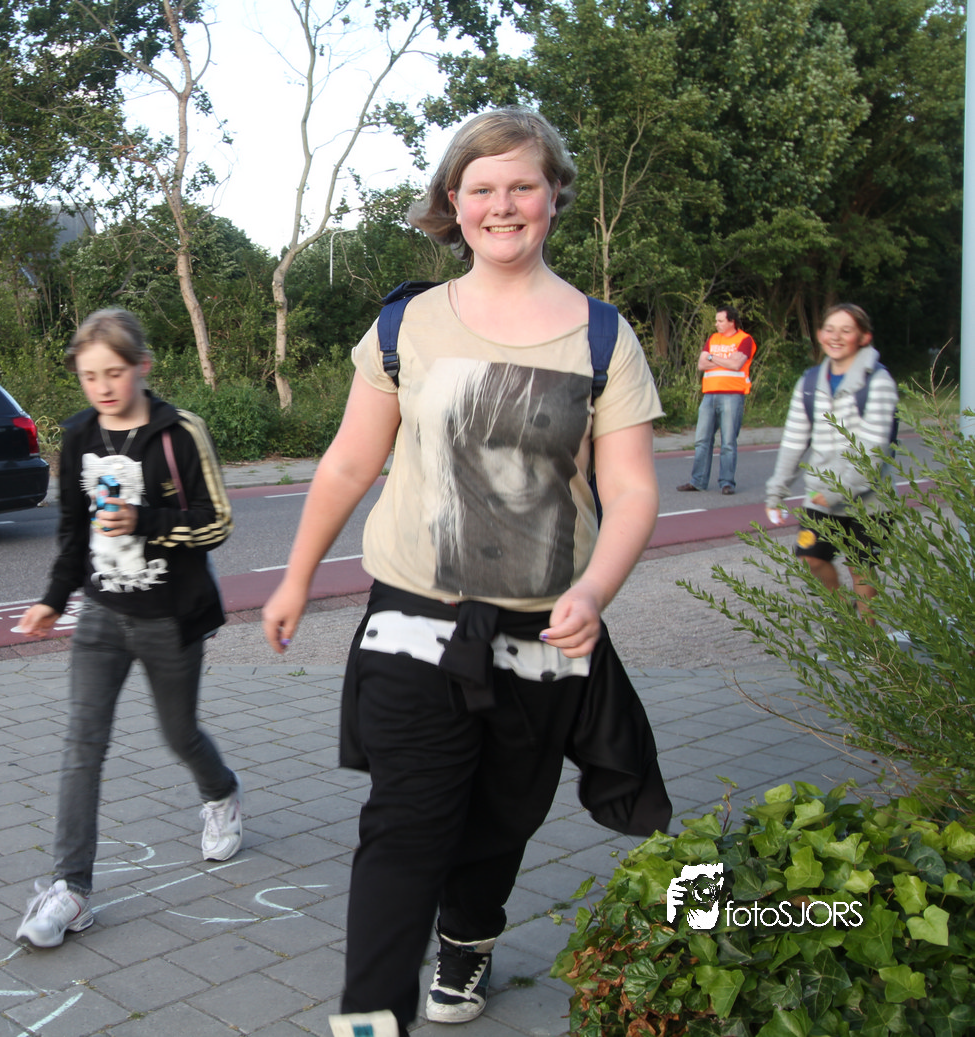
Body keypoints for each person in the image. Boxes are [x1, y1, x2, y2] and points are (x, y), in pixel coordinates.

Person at [259, 108, 664, 1037]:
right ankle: (369, 1022)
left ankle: (468, 936)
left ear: (554, 195)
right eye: (481, 188)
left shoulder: (603, 339)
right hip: (413, 621)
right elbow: (348, 463)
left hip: (543, 635)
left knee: (498, 820)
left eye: (522, 185)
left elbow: (631, 488)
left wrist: (594, 590)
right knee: (404, 826)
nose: (502, 205)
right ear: (453, 201)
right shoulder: (407, 324)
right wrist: (295, 577)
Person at [12, 308, 242, 949]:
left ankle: (221, 793)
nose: (103, 387)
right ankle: (70, 891)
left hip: (171, 617)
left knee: (179, 734)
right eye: (89, 376)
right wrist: (53, 600)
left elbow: (217, 522)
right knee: (82, 746)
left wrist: (144, 521)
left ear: (142, 365)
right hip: (101, 615)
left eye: (114, 372)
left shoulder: (179, 432)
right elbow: (71, 530)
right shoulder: (78, 435)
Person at [763, 303, 898, 617]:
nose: (836, 337)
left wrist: (838, 491)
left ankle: (870, 639)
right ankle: (846, 616)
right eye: (830, 329)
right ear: (820, 334)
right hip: (819, 498)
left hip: (869, 501)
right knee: (810, 557)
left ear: (863, 337)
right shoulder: (810, 383)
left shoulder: (878, 382)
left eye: (846, 330)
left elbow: (873, 449)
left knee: (860, 567)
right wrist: (776, 492)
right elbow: (794, 441)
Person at [676, 306, 756, 495]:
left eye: (720, 321)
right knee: (702, 440)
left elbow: (737, 364)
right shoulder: (713, 338)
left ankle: (727, 483)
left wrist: (713, 357)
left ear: (731, 322)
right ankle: (698, 481)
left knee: (728, 442)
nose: (716, 324)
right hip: (709, 395)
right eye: (716, 320)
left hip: (732, 395)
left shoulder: (745, 340)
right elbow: (701, 364)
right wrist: (723, 359)